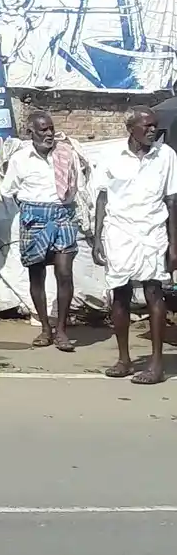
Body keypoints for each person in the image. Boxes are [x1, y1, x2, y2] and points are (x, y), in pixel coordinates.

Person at [91, 108, 177, 384]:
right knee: (120, 294)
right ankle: (124, 359)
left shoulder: (166, 156)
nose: (153, 130)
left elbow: (172, 201)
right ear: (131, 129)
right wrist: (97, 238)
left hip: (153, 231)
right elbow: (102, 199)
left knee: (154, 291)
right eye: (147, 126)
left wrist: (174, 245)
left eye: (155, 126)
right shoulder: (111, 156)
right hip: (119, 233)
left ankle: (156, 364)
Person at [0, 111, 92, 352]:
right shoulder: (20, 159)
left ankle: (61, 330)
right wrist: (17, 216)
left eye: (51, 129)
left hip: (63, 215)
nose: (49, 134)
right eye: (43, 130)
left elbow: (79, 186)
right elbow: (6, 191)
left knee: (64, 272)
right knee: (36, 274)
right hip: (33, 218)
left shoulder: (66, 154)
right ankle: (45, 329)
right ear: (31, 133)